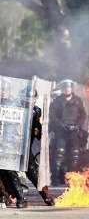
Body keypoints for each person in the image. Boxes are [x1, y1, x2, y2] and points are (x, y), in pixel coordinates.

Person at [49, 79, 87, 186]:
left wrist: (77, 126)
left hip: (74, 131)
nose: (67, 89)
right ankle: (56, 180)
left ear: (72, 88)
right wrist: (61, 126)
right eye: (65, 87)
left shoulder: (77, 100)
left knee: (74, 155)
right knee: (58, 156)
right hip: (61, 131)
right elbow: (52, 116)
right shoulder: (57, 101)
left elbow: (83, 115)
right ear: (62, 89)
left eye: (69, 87)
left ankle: (72, 180)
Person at [22, 89, 55, 206]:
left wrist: (39, 131)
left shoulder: (36, 112)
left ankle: (46, 196)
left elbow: (39, 132)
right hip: (10, 146)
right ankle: (8, 196)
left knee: (33, 173)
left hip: (25, 147)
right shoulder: (17, 109)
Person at [0, 78, 28, 208]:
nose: (3, 91)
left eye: (5, 89)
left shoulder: (14, 104)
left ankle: (20, 197)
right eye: (1, 89)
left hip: (9, 142)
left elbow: (19, 124)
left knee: (9, 171)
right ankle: (4, 196)